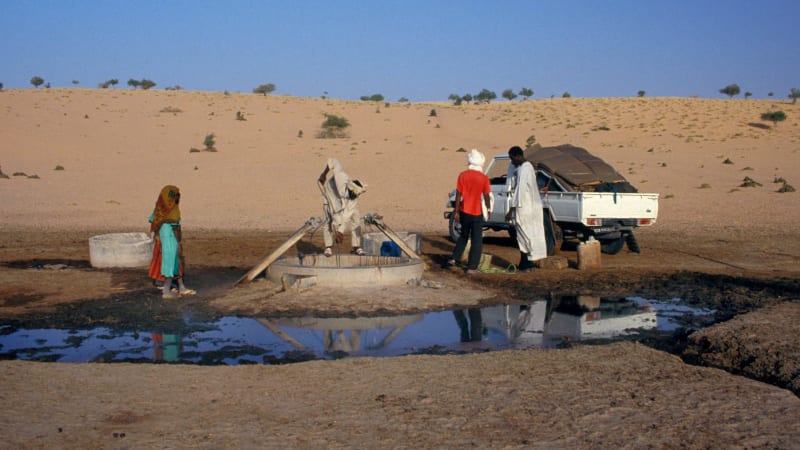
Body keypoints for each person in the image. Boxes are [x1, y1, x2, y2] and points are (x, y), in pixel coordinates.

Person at [445, 149, 491, 274]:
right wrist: (488, 208)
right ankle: (472, 267)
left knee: (463, 236)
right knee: (477, 240)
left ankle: (453, 259)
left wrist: (457, 211)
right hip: (476, 213)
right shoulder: (484, 178)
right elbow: (486, 195)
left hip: (464, 211)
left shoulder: (462, 175)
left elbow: (459, 194)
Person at [148, 185, 195, 299]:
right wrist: (179, 242)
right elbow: (176, 229)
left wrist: (154, 238)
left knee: (175, 265)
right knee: (170, 266)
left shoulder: (159, 208)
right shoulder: (173, 212)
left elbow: (153, 222)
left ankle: (181, 287)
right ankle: (166, 291)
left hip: (162, 241)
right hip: (170, 243)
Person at [506, 146, 548, 272]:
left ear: (518, 156)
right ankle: (525, 263)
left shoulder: (525, 168)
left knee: (524, 235)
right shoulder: (527, 168)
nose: (512, 162)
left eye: (512, 159)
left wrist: (511, 210)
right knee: (526, 235)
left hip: (524, 207)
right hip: (529, 207)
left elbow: (520, 190)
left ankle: (527, 263)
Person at [318, 158, 367, 257]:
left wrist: (340, 231)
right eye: (353, 195)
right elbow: (333, 161)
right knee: (328, 221)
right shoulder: (341, 178)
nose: (355, 197)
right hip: (331, 197)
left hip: (342, 203)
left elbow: (345, 216)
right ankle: (328, 247)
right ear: (350, 188)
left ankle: (356, 246)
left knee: (356, 218)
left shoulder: (353, 198)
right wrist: (324, 174)